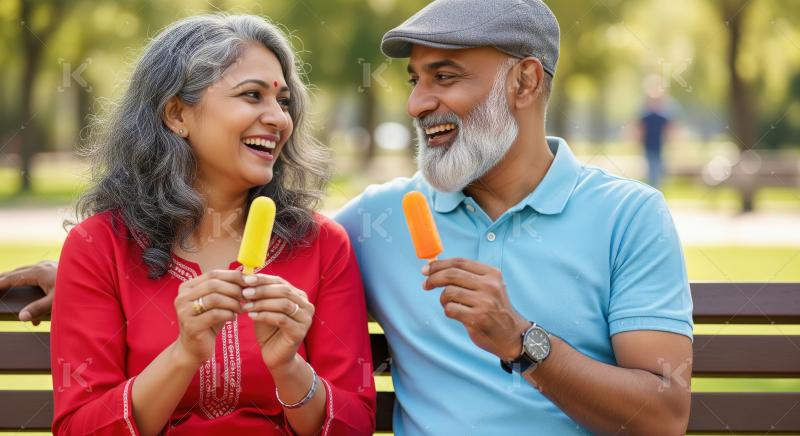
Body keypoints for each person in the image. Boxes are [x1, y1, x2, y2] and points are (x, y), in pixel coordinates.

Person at [3, 1, 693, 435]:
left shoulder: (628, 216)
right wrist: (91, 279)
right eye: (415, 80)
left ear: (525, 81)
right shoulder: (382, 221)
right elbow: (217, 243)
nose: (418, 103)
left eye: (445, 76)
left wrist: (521, 341)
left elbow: (665, 416)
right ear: (176, 114)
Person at [30, 14, 374, 435]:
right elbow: (79, 428)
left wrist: (289, 367)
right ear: (177, 114)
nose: (279, 119)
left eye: (283, 101)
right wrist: (183, 354)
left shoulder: (321, 245)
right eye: (252, 95)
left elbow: (355, 425)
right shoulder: (99, 246)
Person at [638, 78, 674, 189]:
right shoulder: (645, 116)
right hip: (648, 145)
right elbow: (641, 130)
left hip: (659, 145)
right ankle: (652, 187)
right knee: (651, 168)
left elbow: (668, 130)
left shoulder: (663, 117)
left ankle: (656, 186)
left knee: (658, 167)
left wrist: (670, 141)